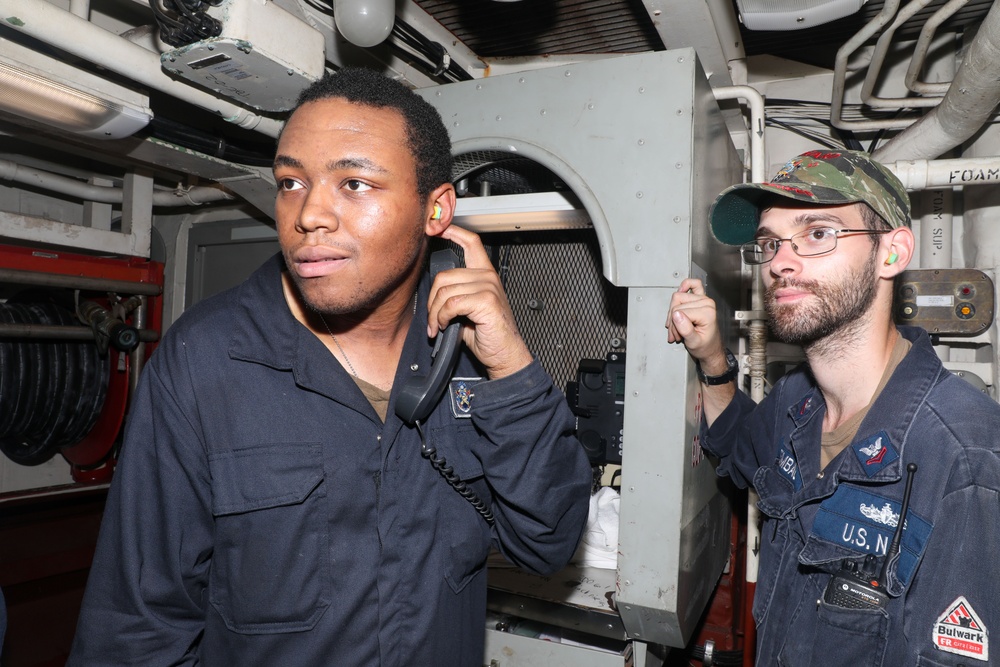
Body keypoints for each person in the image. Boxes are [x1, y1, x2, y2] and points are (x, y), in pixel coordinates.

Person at [68, 67, 591, 666]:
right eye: (292, 182)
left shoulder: (475, 355)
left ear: (436, 210)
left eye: (355, 184)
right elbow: (135, 628)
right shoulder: (203, 362)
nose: (309, 213)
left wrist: (512, 365)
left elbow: (547, 543)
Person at [667, 150, 1000, 665]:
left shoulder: (965, 458)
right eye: (770, 242)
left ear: (891, 254)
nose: (779, 260)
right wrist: (712, 357)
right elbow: (738, 448)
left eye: (818, 233)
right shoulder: (795, 404)